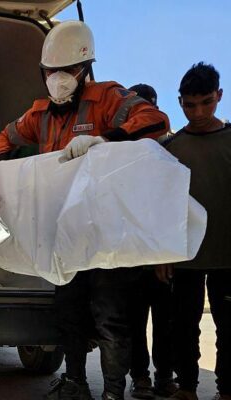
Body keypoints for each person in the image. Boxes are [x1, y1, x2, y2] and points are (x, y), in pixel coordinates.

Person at [0, 21, 170, 400]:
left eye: (68, 71)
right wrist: (15, 174)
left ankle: (113, 392)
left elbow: (155, 121)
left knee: (111, 318)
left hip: (105, 234)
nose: (58, 79)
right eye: (50, 72)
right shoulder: (39, 114)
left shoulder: (107, 98)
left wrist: (104, 140)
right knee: (68, 312)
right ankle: (74, 383)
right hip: (64, 234)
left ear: (85, 68)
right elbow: (4, 140)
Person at [157, 62, 231, 400]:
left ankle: (226, 390)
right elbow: (161, 204)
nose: (198, 112)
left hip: (227, 255)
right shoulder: (171, 148)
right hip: (183, 255)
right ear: (180, 102)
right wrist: (161, 253)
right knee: (183, 326)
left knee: (229, 327)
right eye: (189, 105)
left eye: (206, 102)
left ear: (219, 95)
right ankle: (186, 387)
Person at [125, 83, 177, 400]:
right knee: (134, 322)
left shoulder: (169, 151)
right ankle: (140, 377)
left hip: (161, 256)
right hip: (131, 254)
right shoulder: (120, 153)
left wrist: (165, 252)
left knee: (165, 322)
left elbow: (172, 204)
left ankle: (164, 376)